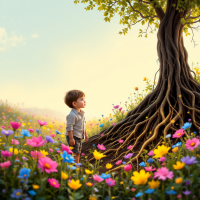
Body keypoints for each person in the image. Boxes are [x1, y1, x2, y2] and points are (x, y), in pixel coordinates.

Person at [64, 89, 88, 164]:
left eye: (84, 99)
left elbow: (83, 125)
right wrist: (71, 138)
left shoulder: (81, 114)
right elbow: (69, 127)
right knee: (75, 152)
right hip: (73, 136)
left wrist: (85, 134)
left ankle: (74, 165)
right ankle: (74, 167)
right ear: (74, 103)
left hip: (78, 136)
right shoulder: (72, 115)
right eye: (82, 99)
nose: (84, 101)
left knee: (77, 152)